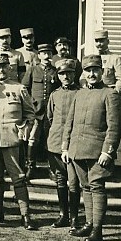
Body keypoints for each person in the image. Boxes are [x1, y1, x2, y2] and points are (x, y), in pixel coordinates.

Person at [61, 54, 121, 241]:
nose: (91, 74)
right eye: (87, 71)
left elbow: (115, 126)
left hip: (98, 152)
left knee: (96, 186)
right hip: (77, 150)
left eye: (95, 70)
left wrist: (108, 151)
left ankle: (97, 229)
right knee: (85, 187)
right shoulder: (79, 93)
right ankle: (89, 223)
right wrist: (65, 147)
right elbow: (69, 122)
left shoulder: (110, 94)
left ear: (102, 72)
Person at [0, 51, 38, 230]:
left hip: (12, 140)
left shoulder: (19, 89)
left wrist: (24, 131)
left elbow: (30, 114)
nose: (1, 70)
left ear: (10, 67)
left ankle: (25, 215)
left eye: (4, 66)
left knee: (18, 179)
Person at [45, 58, 80, 228]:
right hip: (56, 142)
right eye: (62, 73)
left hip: (74, 143)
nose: (65, 76)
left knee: (73, 181)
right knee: (60, 179)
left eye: (69, 73)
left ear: (74, 74)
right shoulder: (54, 95)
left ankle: (74, 218)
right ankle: (63, 215)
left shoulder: (80, 93)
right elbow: (50, 117)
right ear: (58, 76)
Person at [21, 43, 59, 175]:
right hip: (36, 111)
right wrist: (30, 103)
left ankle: (52, 168)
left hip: (51, 112)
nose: (47, 56)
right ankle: (31, 166)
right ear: (39, 55)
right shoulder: (32, 70)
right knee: (33, 138)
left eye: (49, 53)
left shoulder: (55, 71)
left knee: (51, 140)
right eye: (44, 53)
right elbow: (25, 88)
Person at [92, 30, 121, 95]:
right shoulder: (92, 58)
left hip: (108, 93)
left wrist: (114, 93)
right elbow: (83, 78)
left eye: (102, 41)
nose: (99, 44)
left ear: (108, 41)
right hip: (93, 94)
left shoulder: (115, 58)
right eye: (96, 41)